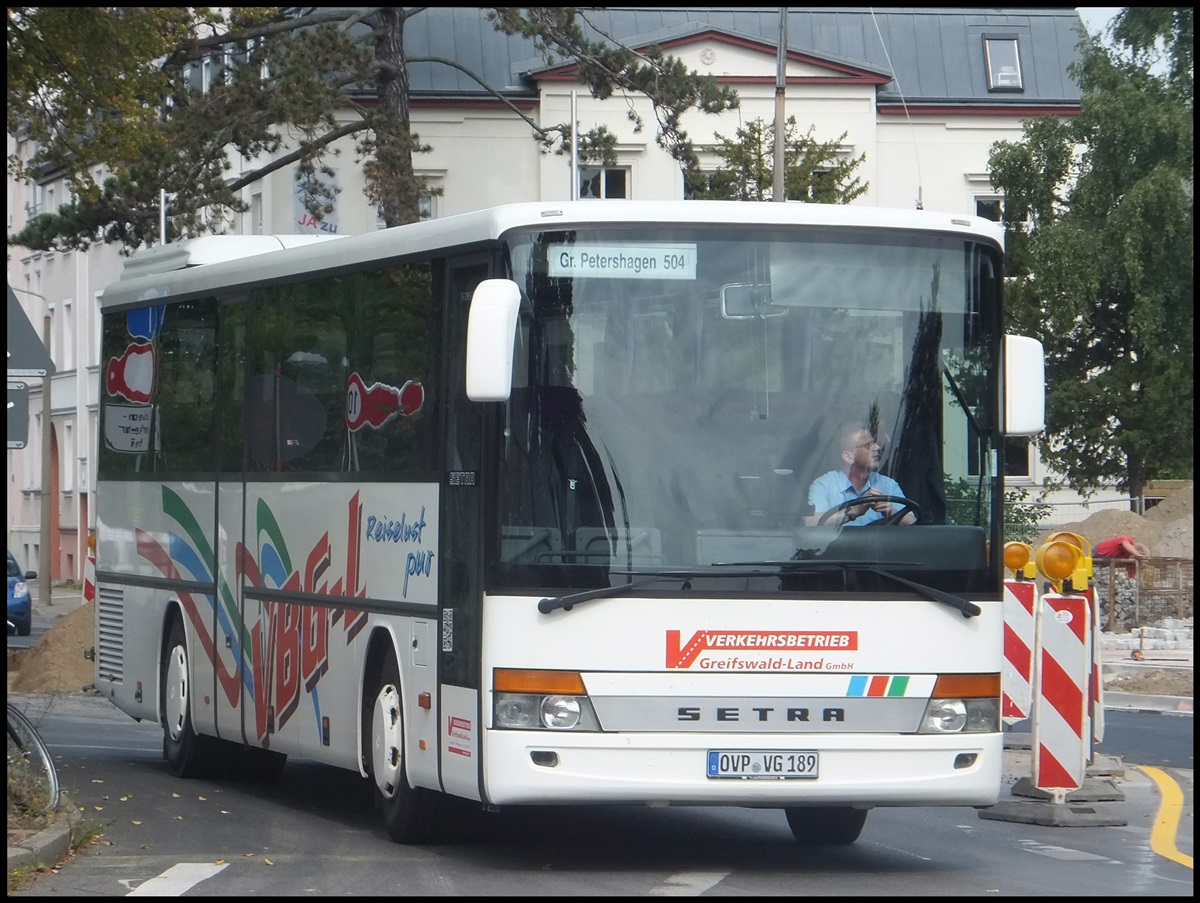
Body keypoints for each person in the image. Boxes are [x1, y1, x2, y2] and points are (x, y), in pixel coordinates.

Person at [806, 423, 916, 526]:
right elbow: (811, 523)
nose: (877, 447)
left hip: (881, 546)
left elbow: (914, 524)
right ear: (848, 457)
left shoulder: (887, 484)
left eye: (874, 442)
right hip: (837, 546)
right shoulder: (824, 485)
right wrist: (854, 511)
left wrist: (892, 512)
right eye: (868, 445)